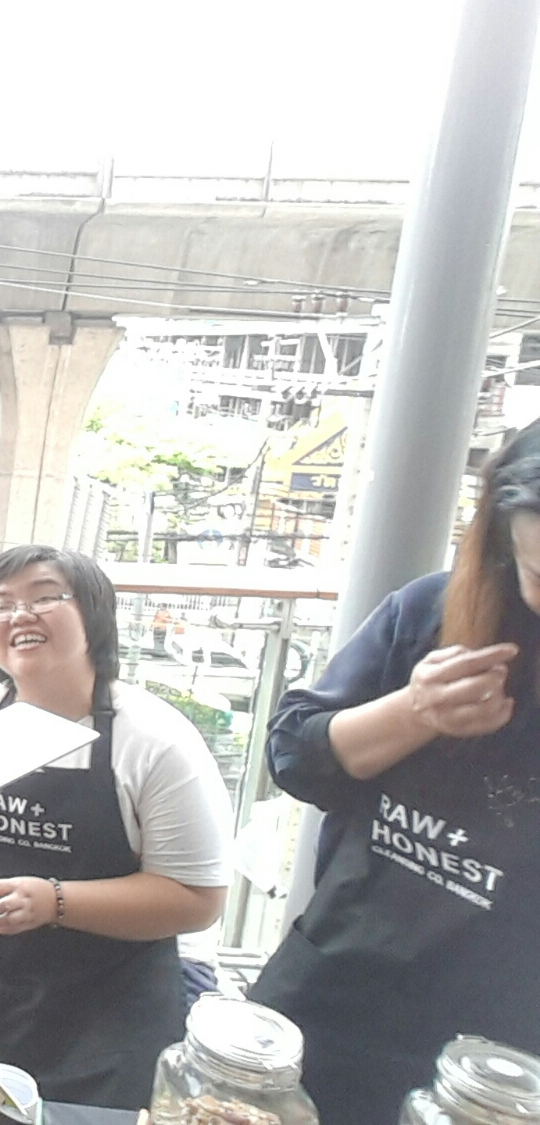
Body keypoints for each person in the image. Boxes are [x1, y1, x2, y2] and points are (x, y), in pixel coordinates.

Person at [246, 420, 540, 1124]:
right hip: (336, 983)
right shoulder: (435, 611)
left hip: (500, 1051)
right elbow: (295, 755)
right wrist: (414, 711)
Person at [0, 546, 232, 1110]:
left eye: (45, 597)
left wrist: (53, 901)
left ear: (95, 615)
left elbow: (196, 897)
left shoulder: (154, 740)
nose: (19, 615)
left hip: (101, 1014)